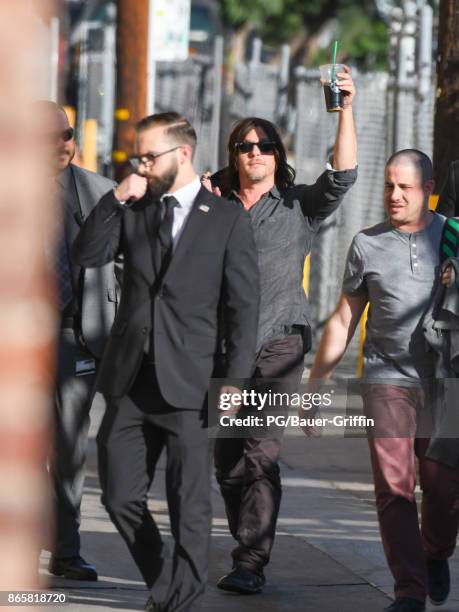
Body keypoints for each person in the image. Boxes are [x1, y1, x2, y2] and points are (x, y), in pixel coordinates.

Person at [71, 112, 259, 612]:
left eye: (150, 156)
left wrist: (234, 379)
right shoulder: (134, 207)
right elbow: (86, 254)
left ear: (183, 154)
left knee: (188, 502)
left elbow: (243, 307)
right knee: (118, 496)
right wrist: (114, 197)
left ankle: (182, 598)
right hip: (131, 378)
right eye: (138, 156)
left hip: (193, 381)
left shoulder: (226, 219)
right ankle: (164, 576)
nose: (143, 165)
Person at [204, 66, 358, 594]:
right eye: (245, 146)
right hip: (224, 354)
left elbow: (343, 175)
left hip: (281, 345)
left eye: (265, 145)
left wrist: (345, 110)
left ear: (277, 155)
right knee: (227, 460)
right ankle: (245, 541)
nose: (255, 152)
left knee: (260, 452)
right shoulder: (213, 206)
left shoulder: (297, 206)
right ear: (233, 154)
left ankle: (250, 561)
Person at [306, 149, 459, 612]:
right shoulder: (367, 244)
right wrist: (316, 384)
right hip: (386, 379)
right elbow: (343, 319)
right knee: (393, 487)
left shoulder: (452, 238)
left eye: (405, 187)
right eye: (389, 185)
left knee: (442, 488)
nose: (394, 195)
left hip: (442, 380)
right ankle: (408, 590)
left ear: (428, 190)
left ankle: (436, 551)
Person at [37, 101, 119, 581]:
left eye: (65, 135)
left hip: (77, 336)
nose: (59, 146)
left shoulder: (100, 191)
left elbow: (127, 268)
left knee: (68, 449)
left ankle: (66, 551)